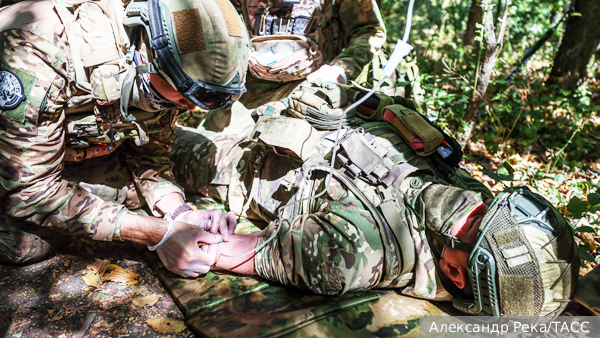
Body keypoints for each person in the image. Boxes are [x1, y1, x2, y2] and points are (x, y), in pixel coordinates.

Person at [171, 82, 579, 316]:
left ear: (456, 274)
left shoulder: (349, 256)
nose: (472, 203)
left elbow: (207, 248)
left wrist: (171, 225)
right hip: (298, 111)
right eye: (489, 208)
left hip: (238, 164)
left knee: (140, 135)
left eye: (473, 224)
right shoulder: (469, 201)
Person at [0, 0, 249, 277]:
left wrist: (179, 212)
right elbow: (28, 190)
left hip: (55, 152)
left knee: (129, 199)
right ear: (149, 57)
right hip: (13, 158)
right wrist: (156, 234)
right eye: (190, 94)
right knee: (26, 244)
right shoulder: (39, 50)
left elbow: (149, 156)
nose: (193, 107)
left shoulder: (170, 74)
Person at [199, 0, 391, 132]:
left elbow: (369, 31)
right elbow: (222, 27)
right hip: (250, 85)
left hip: (314, 84)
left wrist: (341, 68)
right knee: (208, 152)